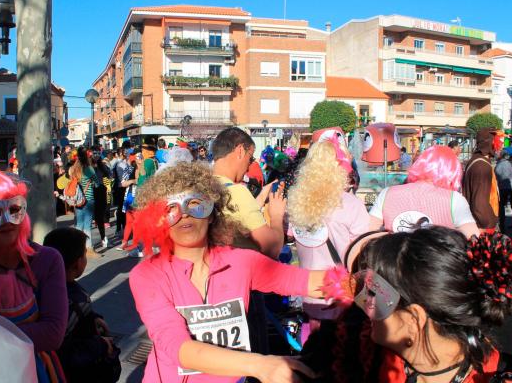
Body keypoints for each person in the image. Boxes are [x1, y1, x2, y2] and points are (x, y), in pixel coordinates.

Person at [128, 162, 350, 382]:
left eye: (195, 204)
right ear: (158, 219)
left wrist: (363, 282)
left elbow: (305, 281)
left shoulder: (241, 262)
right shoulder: (148, 275)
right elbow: (178, 347)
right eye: (171, 209)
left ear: (212, 213)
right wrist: (261, 365)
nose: (184, 215)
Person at [353, 227, 512, 382]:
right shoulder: (364, 352)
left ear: (413, 319)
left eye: (375, 294)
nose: (364, 304)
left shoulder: (498, 372)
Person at [0, 171, 68, 382]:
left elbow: (52, 334)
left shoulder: (46, 260)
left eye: (14, 209)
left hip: (32, 372)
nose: (7, 220)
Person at [288, 140, 370, 328]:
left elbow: (291, 236)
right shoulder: (350, 204)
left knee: (312, 348)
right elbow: (362, 253)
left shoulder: (296, 201)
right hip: (340, 296)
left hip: (307, 290)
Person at [43, 227, 122, 383]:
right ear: (78, 263)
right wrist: (100, 345)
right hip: (76, 373)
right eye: (85, 254)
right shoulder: (70, 301)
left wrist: (92, 317)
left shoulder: (48, 285)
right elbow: (62, 349)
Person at [370, 145, 479, 238]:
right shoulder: (454, 200)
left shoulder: (387, 193)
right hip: (435, 261)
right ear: (452, 172)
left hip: (393, 260)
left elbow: (367, 233)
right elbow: (474, 239)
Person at [212, 127, 285, 258]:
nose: (249, 166)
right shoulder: (237, 192)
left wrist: (262, 195)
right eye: (250, 158)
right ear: (240, 151)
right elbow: (271, 248)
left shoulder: (202, 184)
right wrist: (277, 215)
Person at [463, 128, 499, 233]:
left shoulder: (477, 161)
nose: (498, 147)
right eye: (496, 142)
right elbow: (479, 203)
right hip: (482, 227)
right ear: (489, 143)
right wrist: (486, 223)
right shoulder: (482, 166)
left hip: (479, 223)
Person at [69, 147, 100, 256]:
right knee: (87, 224)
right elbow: (98, 183)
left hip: (77, 199)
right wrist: (91, 182)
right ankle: (88, 248)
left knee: (79, 224)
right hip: (88, 198)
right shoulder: (89, 169)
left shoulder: (73, 169)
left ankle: (76, 248)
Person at [92, 149, 111, 248]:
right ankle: (87, 244)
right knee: (87, 220)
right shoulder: (87, 166)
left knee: (99, 218)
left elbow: (109, 175)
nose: (96, 155)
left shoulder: (102, 165)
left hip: (101, 193)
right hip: (90, 194)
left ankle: (103, 238)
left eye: (98, 153)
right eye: (94, 153)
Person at [495, 152, 512, 232]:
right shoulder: (508, 163)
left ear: (500, 156)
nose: (495, 154)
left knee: (500, 207)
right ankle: (502, 224)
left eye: (497, 153)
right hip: (507, 187)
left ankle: (501, 226)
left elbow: (499, 175)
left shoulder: (501, 164)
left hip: (502, 187)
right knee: (503, 206)